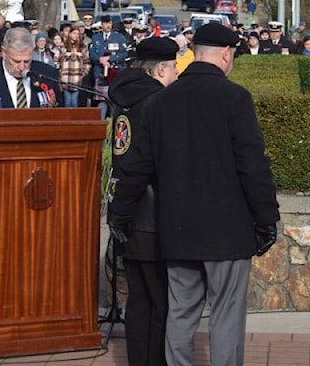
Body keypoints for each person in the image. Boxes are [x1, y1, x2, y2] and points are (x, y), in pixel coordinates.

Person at [107, 22, 279, 366]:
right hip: (227, 232)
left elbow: (136, 167)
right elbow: (252, 166)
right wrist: (267, 220)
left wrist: (119, 213)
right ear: (227, 54)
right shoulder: (236, 98)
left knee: (181, 314)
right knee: (226, 316)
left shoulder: (161, 100)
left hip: (177, 228)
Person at [107, 36, 179, 366]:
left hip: (127, 212)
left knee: (138, 300)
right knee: (161, 302)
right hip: (152, 217)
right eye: (175, 67)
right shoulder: (158, 103)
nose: (177, 74)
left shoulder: (124, 98)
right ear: (160, 69)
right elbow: (155, 163)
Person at [55, 25, 90, 107]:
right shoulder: (62, 47)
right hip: (65, 79)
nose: (76, 35)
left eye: (78, 34)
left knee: (74, 102)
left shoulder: (82, 47)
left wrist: (83, 73)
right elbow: (56, 60)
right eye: (74, 33)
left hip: (77, 79)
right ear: (70, 34)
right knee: (67, 102)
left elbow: (87, 62)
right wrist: (60, 72)